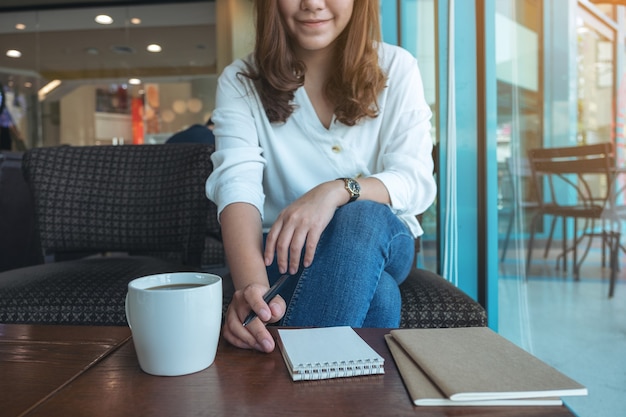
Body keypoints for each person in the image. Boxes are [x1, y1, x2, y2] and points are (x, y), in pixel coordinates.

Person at [206, 0, 436, 353]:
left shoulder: (396, 67)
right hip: (281, 252)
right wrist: (254, 293)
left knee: (362, 215)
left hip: (382, 238)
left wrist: (336, 192)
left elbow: (416, 180)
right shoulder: (240, 81)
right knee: (381, 295)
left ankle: (291, 396)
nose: (313, 3)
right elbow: (237, 186)